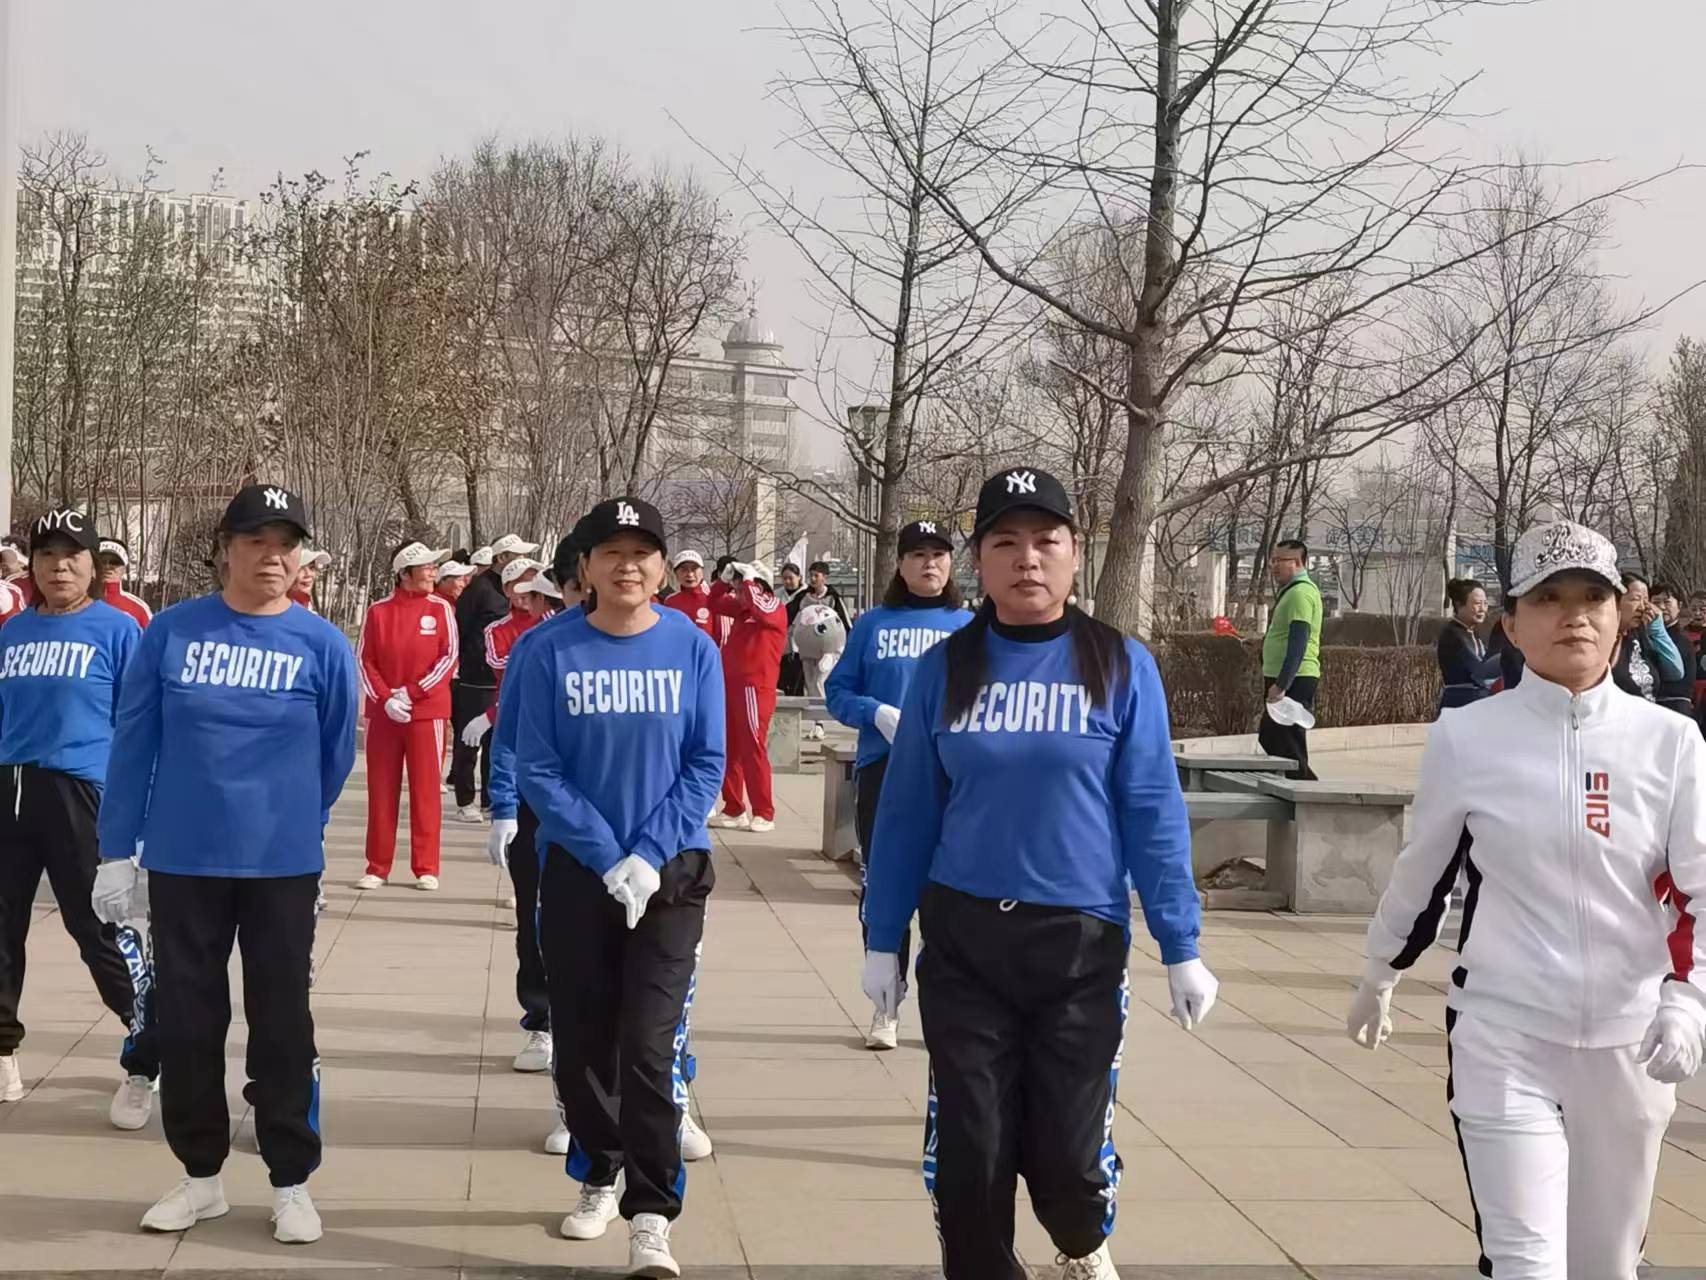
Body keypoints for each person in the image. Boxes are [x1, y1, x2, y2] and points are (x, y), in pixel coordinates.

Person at [861, 467, 1215, 1280]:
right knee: (972, 1158)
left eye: (1046, 541)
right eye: (1006, 542)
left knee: (1067, 1168)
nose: (1028, 559)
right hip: (966, 943)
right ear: (979, 561)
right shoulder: (945, 668)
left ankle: (1081, 1239)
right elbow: (907, 814)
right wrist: (883, 938)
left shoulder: (1118, 664)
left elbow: (1153, 811)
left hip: (1078, 946)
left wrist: (1181, 943)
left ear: (1075, 554)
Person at [1347, 520, 1706, 1279]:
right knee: (1525, 1262)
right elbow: (1425, 870)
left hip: (1631, 1041)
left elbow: (1699, 890)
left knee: (1605, 1265)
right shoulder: (1467, 736)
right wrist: (1380, 970)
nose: (1573, 616)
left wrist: (1688, 1001)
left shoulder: (1671, 742)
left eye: (1592, 599)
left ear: (1619, 619)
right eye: (1548, 599)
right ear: (1510, 623)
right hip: (1503, 1030)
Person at [95, 483, 357, 1244]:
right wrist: (116, 851)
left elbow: (335, 753)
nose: (271, 557)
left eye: (285, 544)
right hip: (185, 860)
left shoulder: (321, 644)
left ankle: (290, 1180)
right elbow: (134, 742)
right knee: (188, 1020)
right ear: (226, 549)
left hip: (281, 865)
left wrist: (292, 821)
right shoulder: (173, 632)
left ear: (301, 557)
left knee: (282, 1022)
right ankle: (201, 1176)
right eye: (255, 542)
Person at [509, 496, 723, 1278]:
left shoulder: (693, 647)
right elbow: (537, 767)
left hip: (671, 876)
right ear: (587, 567)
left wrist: (650, 852)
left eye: (642, 552)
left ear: (662, 566)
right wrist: (605, 856)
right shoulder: (548, 650)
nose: (628, 566)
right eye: (612, 552)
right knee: (584, 1042)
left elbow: (706, 761)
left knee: (649, 1045)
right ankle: (599, 1172)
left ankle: (652, 1212)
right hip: (579, 872)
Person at [0, 508, 155, 1125]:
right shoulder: (13, 632)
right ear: (32, 565)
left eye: (73, 556)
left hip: (83, 793)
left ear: (94, 566)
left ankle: (147, 1050)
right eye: (47, 555)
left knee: (97, 928)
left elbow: (138, 726)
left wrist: (136, 818)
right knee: (2, 925)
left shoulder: (118, 630)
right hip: (11, 789)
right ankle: (3, 1053)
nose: (59, 567)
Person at [825, 518, 971, 1050]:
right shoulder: (873, 625)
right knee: (884, 883)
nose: (929, 564)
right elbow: (838, 691)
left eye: (939, 554)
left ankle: (944, 1004)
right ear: (901, 564)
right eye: (918, 555)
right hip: (884, 770)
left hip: (953, 773)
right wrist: (875, 712)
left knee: (947, 890)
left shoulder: (970, 627)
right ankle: (886, 1002)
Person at [354, 541, 457, 892]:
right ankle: (377, 866)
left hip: (426, 712)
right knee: (381, 790)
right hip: (384, 715)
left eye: (433, 566)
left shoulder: (441, 609)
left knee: (426, 790)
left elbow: (448, 657)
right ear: (404, 574)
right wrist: (385, 699)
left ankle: (426, 866)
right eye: (427, 567)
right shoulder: (378, 611)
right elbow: (365, 660)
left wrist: (411, 693)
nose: (433, 572)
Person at [451, 536, 538, 821]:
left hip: (509, 688)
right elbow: (461, 628)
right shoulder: (479, 589)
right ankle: (466, 800)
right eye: (516, 555)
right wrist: (464, 664)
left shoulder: (543, 611)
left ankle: (492, 798)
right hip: (477, 679)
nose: (526, 590)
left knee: (496, 745)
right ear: (501, 559)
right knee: (470, 741)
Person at [711, 558, 787, 832]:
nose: (738, 592)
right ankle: (734, 808)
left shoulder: (774, 607)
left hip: (755, 687)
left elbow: (762, 611)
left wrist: (749, 580)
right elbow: (713, 603)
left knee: (752, 747)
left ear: (760, 586)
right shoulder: (743, 609)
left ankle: (764, 812)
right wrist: (724, 581)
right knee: (730, 748)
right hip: (731, 685)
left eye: (742, 588)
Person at [1258, 538, 1322, 779]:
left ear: (1296, 562)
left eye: (1279, 560)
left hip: (1295, 679)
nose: (1273, 566)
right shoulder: (1292, 592)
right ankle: (1302, 788)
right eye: (1272, 561)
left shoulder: (1300, 594)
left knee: (1284, 740)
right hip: (1287, 677)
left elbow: (1298, 642)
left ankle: (1307, 790)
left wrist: (1282, 684)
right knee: (1277, 738)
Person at [1610, 571, 1683, 704]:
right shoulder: (1603, 640)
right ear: (1614, 601)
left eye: (1646, 600)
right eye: (1635, 599)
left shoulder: (1642, 635)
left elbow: (1675, 672)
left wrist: (1658, 632)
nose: (1643, 607)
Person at [1436, 578, 1500, 713]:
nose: (1483, 609)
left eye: (1485, 603)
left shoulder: (1471, 632)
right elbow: (1480, 672)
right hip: (1460, 702)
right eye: (1477, 603)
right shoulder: (1454, 635)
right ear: (1459, 605)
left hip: (1473, 701)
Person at [1650, 582, 1697, 717]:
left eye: (1667, 602)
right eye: (1656, 602)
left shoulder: (1684, 640)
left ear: (1679, 606)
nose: (1661, 607)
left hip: (1675, 708)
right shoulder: (1643, 634)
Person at [95, 537, 153, 628]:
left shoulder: (139, 609)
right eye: (102, 561)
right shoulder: (77, 604)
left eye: (115, 562)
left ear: (124, 568)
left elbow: (154, 636)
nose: (107, 566)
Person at [662, 550, 717, 641]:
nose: (690, 574)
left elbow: (723, 636)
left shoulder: (713, 598)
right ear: (676, 574)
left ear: (702, 571)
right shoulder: (670, 601)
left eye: (694, 569)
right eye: (684, 569)